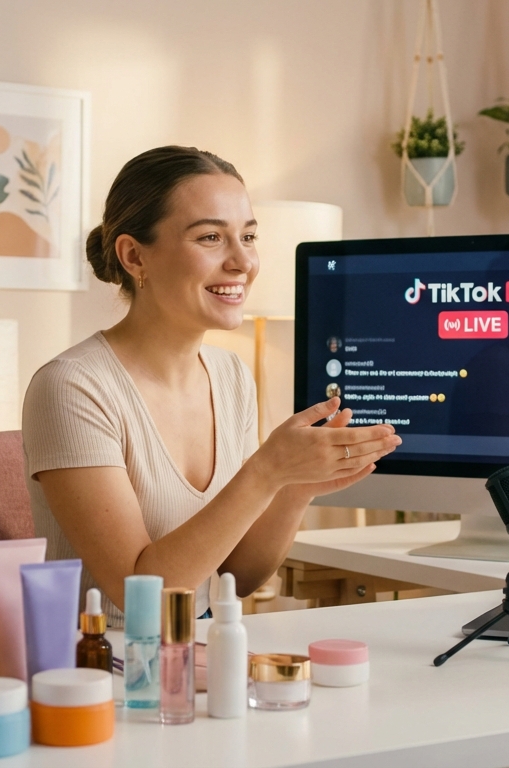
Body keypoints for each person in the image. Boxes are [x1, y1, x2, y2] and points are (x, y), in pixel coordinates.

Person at [22, 146, 401, 622]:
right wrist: (265, 471)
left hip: (199, 654)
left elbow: (234, 578)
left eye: (248, 236)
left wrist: (293, 487)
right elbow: (141, 602)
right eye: (210, 238)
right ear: (134, 255)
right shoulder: (72, 389)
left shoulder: (230, 376)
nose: (243, 261)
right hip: (103, 667)